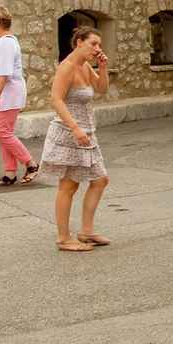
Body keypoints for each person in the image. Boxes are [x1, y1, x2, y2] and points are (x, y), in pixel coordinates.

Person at [40, 26, 111, 252]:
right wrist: (75, 128)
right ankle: (63, 238)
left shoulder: (85, 67)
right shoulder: (67, 67)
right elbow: (57, 100)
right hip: (69, 133)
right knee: (68, 185)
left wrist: (103, 66)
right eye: (93, 44)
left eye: (99, 45)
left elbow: (101, 88)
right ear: (79, 42)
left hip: (87, 133)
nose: (97, 48)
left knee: (100, 179)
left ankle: (86, 231)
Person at [0, 3, 38, 186]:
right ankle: (10, 173)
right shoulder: (5, 41)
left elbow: (3, 72)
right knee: (6, 132)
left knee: (1, 132)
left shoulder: (6, 43)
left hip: (7, 93)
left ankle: (30, 163)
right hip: (8, 93)